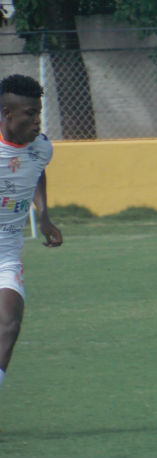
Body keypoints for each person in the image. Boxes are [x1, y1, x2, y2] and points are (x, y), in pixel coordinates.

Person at [0, 74, 63, 390]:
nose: (37, 121)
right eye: (29, 114)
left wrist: (45, 215)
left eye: (38, 113)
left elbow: (37, 172)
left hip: (6, 254)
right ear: (8, 114)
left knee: (10, 323)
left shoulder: (42, 148)